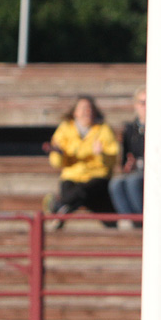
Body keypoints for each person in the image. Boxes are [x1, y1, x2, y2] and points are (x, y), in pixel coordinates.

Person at [43, 96, 118, 228]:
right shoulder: (65, 128)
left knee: (85, 191)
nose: (86, 112)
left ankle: (59, 206)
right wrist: (59, 153)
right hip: (72, 176)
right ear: (75, 112)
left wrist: (101, 155)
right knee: (74, 190)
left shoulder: (103, 129)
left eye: (89, 108)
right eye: (83, 108)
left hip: (96, 175)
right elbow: (56, 162)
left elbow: (112, 158)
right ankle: (64, 208)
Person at [108, 86, 146, 227]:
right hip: (136, 169)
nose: (145, 107)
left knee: (133, 182)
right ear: (136, 105)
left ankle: (140, 221)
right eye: (142, 103)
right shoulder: (131, 129)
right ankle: (129, 219)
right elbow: (126, 156)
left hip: (152, 171)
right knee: (116, 184)